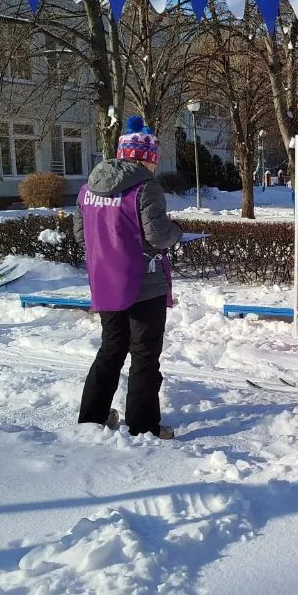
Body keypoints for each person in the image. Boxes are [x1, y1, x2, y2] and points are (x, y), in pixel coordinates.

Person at [74, 117, 183, 439]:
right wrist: (177, 231)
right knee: (144, 355)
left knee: (111, 349)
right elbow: (158, 235)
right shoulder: (145, 188)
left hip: (106, 282)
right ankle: (143, 426)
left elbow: (81, 237)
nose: (154, 165)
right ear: (145, 159)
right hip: (143, 283)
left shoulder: (87, 189)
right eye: (153, 159)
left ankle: (92, 418)